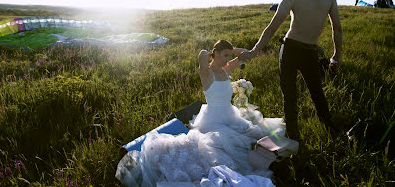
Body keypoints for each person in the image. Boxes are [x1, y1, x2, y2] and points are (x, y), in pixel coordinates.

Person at [116, 40, 285, 186]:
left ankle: (270, 154)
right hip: (213, 119)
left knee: (255, 133)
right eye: (224, 55)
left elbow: (245, 54)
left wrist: (231, 50)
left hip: (230, 115)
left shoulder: (225, 70)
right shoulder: (207, 73)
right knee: (228, 146)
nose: (228, 59)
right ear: (215, 54)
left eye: (228, 56)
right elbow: (202, 55)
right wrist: (211, 52)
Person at [239, 0, 343, 141]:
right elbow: (337, 28)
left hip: (291, 49)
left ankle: (294, 136)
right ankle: (331, 130)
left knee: (290, 94)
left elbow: (271, 29)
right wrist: (336, 56)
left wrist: (253, 51)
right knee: (317, 92)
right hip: (311, 51)